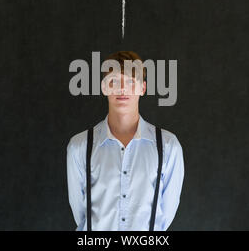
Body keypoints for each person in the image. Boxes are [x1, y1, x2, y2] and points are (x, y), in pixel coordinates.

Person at [67, 51, 184, 231]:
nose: (122, 89)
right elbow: (80, 214)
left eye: (130, 81)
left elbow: (166, 215)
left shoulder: (168, 146)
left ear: (142, 88)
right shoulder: (80, 146)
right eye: (114, 81)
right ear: (104, 87)